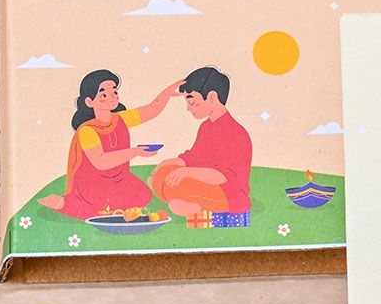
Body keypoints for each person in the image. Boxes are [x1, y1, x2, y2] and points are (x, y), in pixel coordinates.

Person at [39, 70, 183, 220]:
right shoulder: (87, 130)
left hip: (120, 180)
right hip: (93, 185)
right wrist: (135, 152)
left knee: (143, 195)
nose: (112, 96)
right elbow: (100, 161)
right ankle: (63, 203)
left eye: (114, 91)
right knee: (98, 209)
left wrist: (167, 93)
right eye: (104, 95)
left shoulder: (120, 118)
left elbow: (151, 110)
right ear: (89, 102)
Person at [149, 66, 252, 220]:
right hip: (203, 180)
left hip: (228, 192)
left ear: (211, 98)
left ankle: (190, 203)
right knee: (162, 175)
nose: (188, 109)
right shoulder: (206, 127)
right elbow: (194, 158)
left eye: (192, 103)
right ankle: (184, 199)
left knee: (177, 184)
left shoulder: (236, 133)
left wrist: (186, 172)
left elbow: (224, 176)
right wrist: (166, 164)